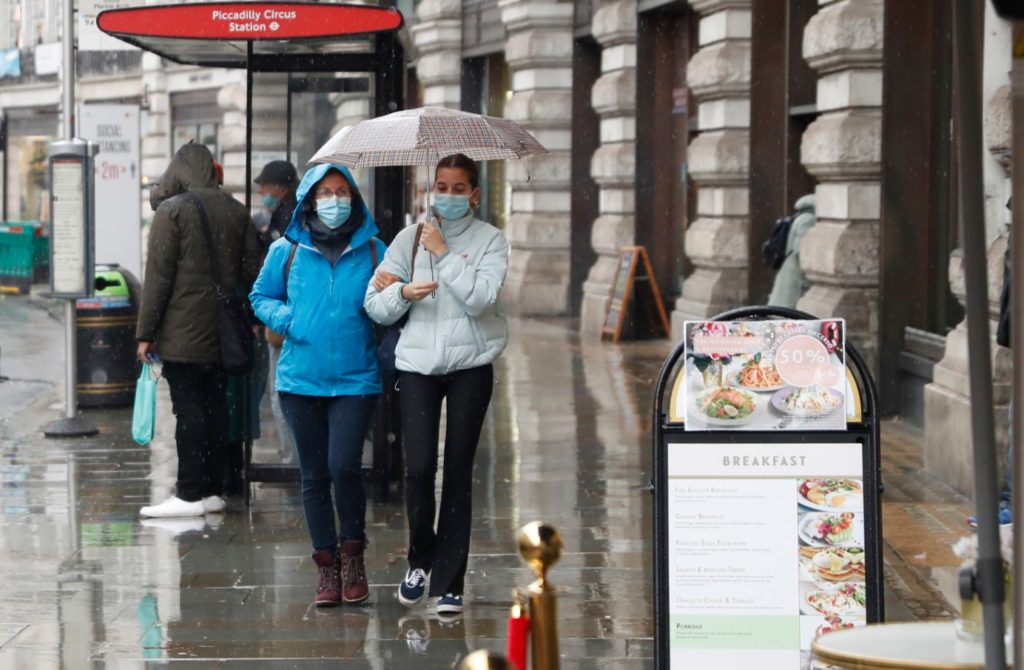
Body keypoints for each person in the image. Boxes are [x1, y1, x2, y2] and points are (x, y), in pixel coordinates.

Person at [365, 153, 509, 616]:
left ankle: (451, 581)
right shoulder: (409, 241)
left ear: (474, 194)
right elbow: (374, 303)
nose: (447, 196)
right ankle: (419, 561)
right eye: (440, 187)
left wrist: (444, 255)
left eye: (457, 187)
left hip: (471, 365)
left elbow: (482, 300)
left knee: (458, 473)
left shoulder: (491, 241)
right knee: (420, 467)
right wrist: (402, 293)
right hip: (417, 366)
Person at [250, 163, 384, 606]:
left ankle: (353, 554)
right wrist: (288, 319)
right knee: (313, 475)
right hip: (300, 381)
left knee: (345, 466)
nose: (334, 200)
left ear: (354, 198)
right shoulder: (286, 251)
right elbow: (260, 296)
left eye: (342, 192)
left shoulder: (372, 251)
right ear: (309, 199)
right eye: (325, 192)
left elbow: (388, 302)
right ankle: (326, 566)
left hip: (355, 377)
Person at [136, 143, 262, 518]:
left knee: (189, 411)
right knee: (216, 407)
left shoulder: (172, 211)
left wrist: (146, 332)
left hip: (183, 332)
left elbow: (158, 278)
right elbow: (251, 272)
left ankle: (188, 493)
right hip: (222, 332)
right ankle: (212, 489)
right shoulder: (237, 211)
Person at [768, 194, 816, 308]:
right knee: (788, 317)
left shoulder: (801, 216)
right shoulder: (808, 219)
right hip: (796, 277)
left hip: (791, 273)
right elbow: (801, 251)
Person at [254, 159, 299, 250]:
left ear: (282, 189)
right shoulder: (289, 210)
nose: (259, 191)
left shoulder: (288, 215)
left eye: (263, 185)